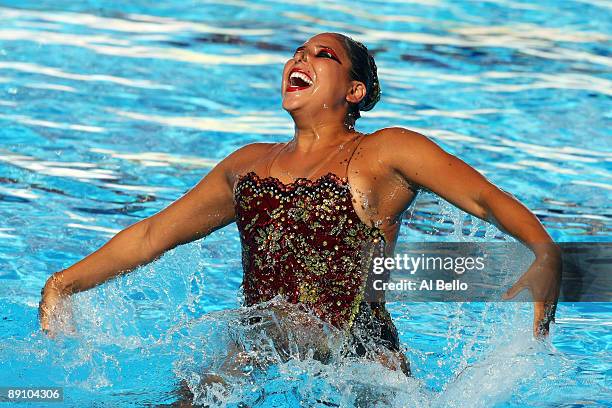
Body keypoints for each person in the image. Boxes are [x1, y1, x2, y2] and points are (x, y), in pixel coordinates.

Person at [39, 31, 561, 393]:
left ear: (354, 91)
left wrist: (542, 251)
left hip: (359, 361)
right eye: (296, 53)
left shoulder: (384, 153)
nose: (300, 60)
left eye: (322, 55)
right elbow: (154, 234)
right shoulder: (248, 164)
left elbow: (485, 198)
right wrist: (63, 283)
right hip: (257, 349)